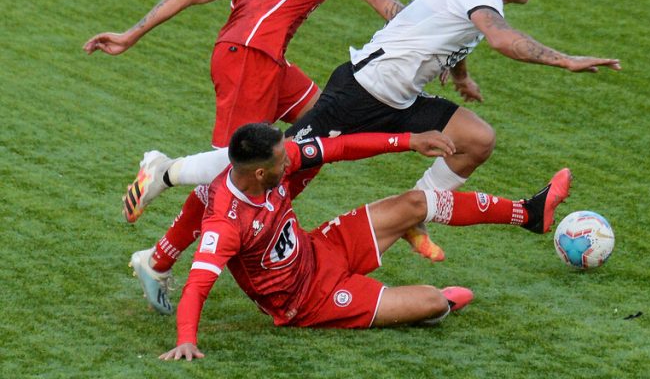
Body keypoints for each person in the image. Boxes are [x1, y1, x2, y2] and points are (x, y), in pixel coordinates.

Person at [126, 0, 620, 266]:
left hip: (400, 100)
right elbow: (500, 37)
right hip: (359, 95)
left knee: (476, 140)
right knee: (267, 174)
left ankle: (413, 215)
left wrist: (463, 75)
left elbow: (458, 33)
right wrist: (566, 60)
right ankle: (165, 179)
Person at [82, 0, 403, 221]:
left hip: (257, 57)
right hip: (251, 57)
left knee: (325, 119)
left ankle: (269, 214)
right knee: (232, 168)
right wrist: (424, 37)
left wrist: (131, 34)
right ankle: (163, 173)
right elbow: (384, 3)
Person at [157, 123, 571, 361]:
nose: (292, 160)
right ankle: (436, 303)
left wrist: (408, 140)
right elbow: (197, 284)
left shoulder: (272, 166)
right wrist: (186, 340)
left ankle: (528, 214)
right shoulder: (225, 221)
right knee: (432, 301)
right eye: (284, 160)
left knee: (414, 202)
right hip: (309, 301)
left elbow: (341, 147)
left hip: (322, 248)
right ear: (261, 173)